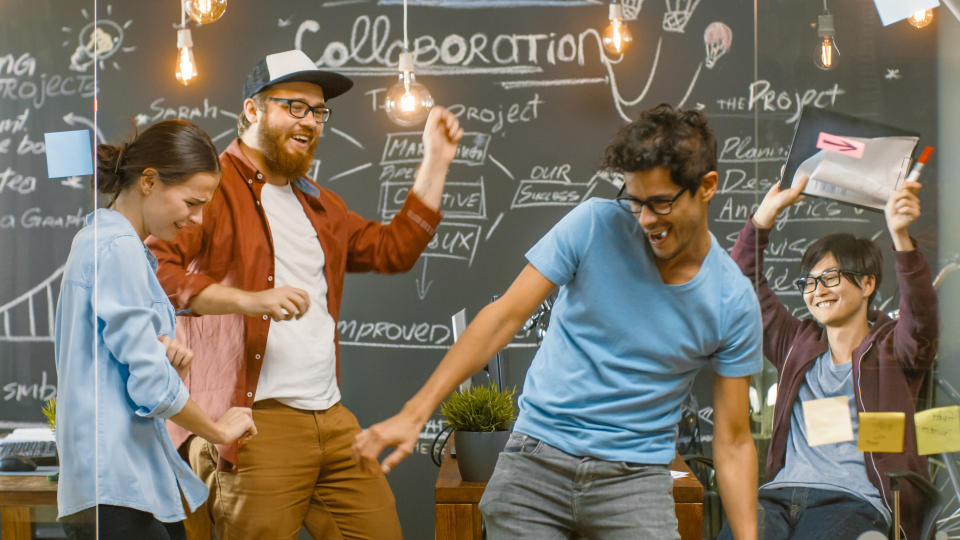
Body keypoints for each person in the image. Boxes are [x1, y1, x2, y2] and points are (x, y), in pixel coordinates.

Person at [353, 104, 763, 539]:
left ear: (707, 187)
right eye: (635, 201)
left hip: (635, 482)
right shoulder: (594, 225)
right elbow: (503, 317)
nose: (645, 220)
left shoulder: (731, 301)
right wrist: (415, 413)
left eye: (660, 203)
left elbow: (735, 442)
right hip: (535, 463)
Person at [145, 49, 463, 539]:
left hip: (332, 420)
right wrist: (248, 301)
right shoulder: (211, 187)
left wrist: (436, 163)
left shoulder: (318, 201)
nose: (310, 121)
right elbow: (153, 270)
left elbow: (392, 251)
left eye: (318, 111)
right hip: (252, 423)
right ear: (253, 109)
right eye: (294, 106)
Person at [54, 119, 258, 540]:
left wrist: (166, 363)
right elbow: (149, 385)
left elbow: (118, 364)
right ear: (149, 181)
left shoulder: (97, 241)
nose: (198, 219)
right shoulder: (120, 249)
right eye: (191, 202)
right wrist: (218, 431)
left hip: (116, 480)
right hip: (118, 483)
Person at [719, 177, 938, 540]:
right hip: (776, 497)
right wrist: (763, 218)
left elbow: (921, 318)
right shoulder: (795, 342)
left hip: (853, 501)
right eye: (808, 282)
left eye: (830, 278)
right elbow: (740, 288)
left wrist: (901, 239)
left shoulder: (894, 349)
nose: (816, 291)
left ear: (867, 284)